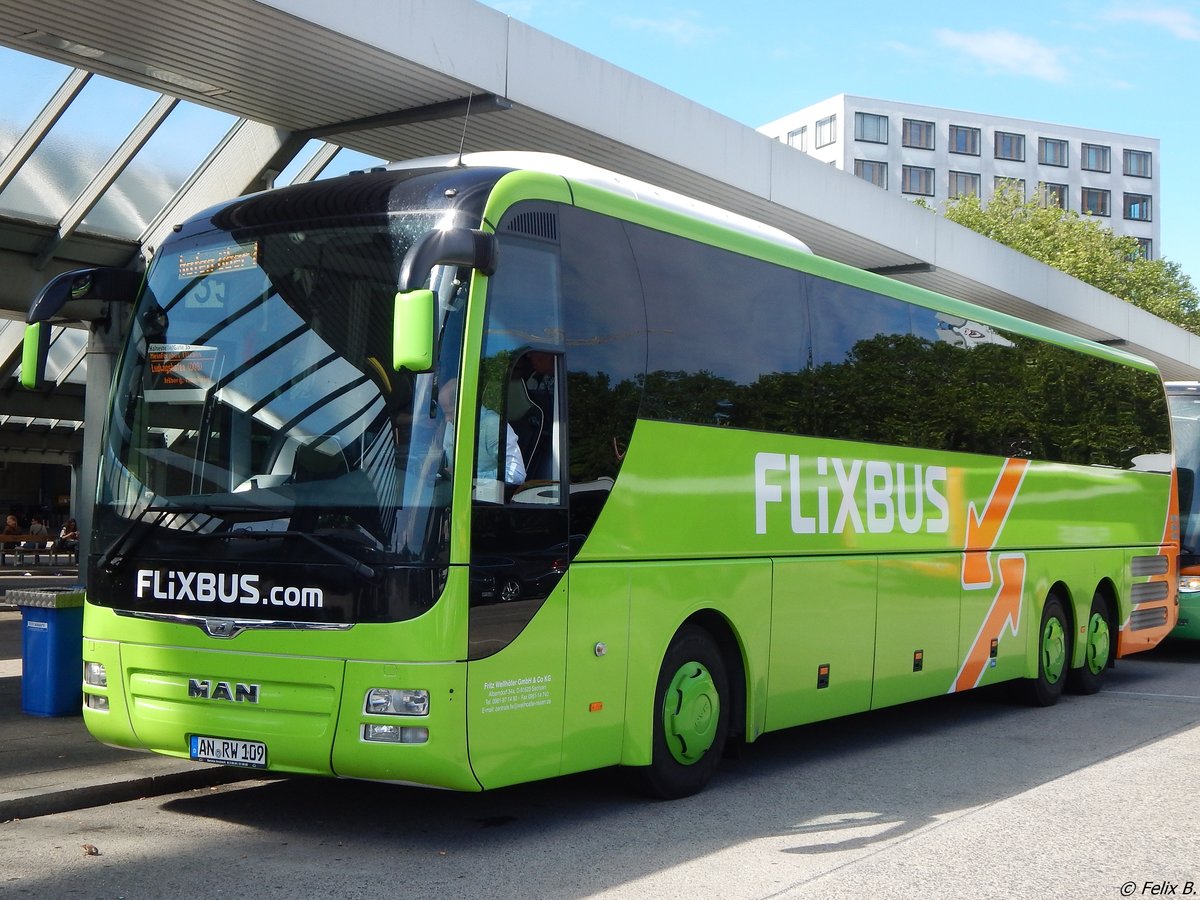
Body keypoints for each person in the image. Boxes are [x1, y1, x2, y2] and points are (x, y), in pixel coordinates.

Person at [437, 378, 526, 485]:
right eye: (445, 413)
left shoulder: (493, 425)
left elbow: (516, 475)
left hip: (485, 497)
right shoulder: (452, 423)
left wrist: (470, 476)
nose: (447, 419)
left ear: (465, 404)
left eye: (450, 412)